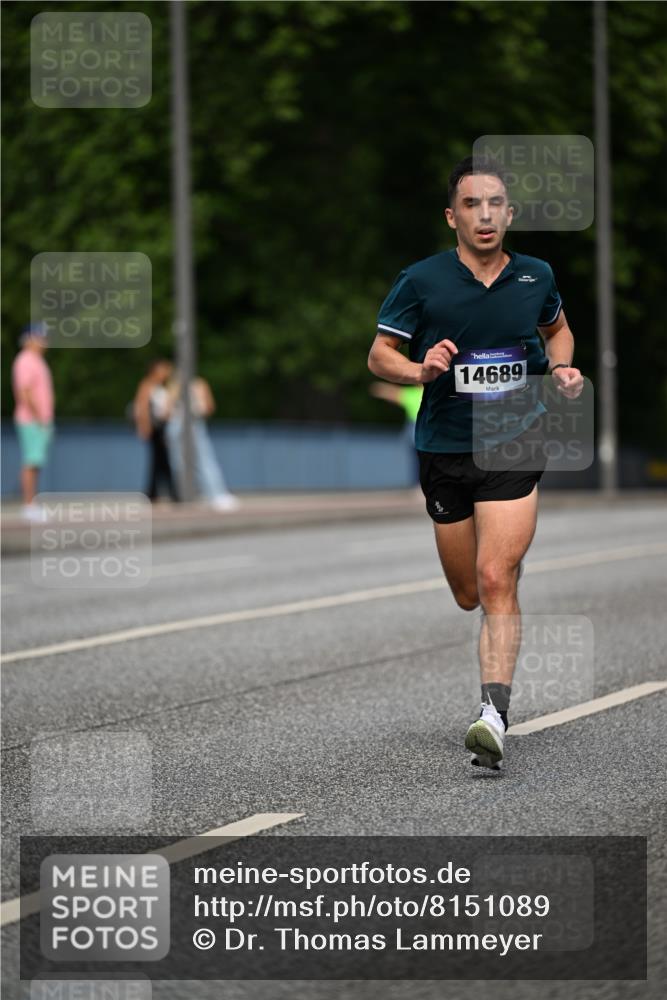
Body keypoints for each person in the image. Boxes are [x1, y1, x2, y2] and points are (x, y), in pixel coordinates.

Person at [368, 155, 584, 771]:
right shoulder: (421, 281)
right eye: (471, 204)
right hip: (443, 446)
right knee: (469, 592)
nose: (484, 214)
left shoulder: (536, 276)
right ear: (452, 216)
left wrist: (563, 367)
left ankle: (493, 715)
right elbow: (379, 355)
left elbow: (558, 331)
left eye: (495, 204)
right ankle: (500, 583)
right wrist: (419, 369)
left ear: (509, 214)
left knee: (495, 577)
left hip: (514, 441)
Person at [166, 373, 240, 512]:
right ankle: (216, 494)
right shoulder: (198, 384)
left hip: (176, 424)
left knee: (179, 463)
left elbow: (167, 409)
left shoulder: (174, 385)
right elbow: (209, 407)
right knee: (204, 460)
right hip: (192, 424)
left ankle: (188, 495)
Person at [11, 323, 54, 521]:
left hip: (39, 420)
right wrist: (39, 418)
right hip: (31, 420)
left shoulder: (37, 361)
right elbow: (25, 393)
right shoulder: (25, 361)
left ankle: (32, 503)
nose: (44, 341)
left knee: (35, 462)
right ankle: (29, 505)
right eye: (40, 337)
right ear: (28, 339)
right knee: (31, 461)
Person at [133, 359, 179, 503]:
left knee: (159, 461)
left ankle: (154, 492)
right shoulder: (147, 385)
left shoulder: (163, 386)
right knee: (161, 460)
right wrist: (144, 426)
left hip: (164, 427)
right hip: (155, 427)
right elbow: (142, 407)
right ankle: (172, 492)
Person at [369, 382, 423, 485]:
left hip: (416, 428)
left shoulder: (412, 394)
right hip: (423, 428)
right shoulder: (429, 393)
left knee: (417, 459)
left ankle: (418, 484)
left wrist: (380, 389)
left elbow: (393, 393)